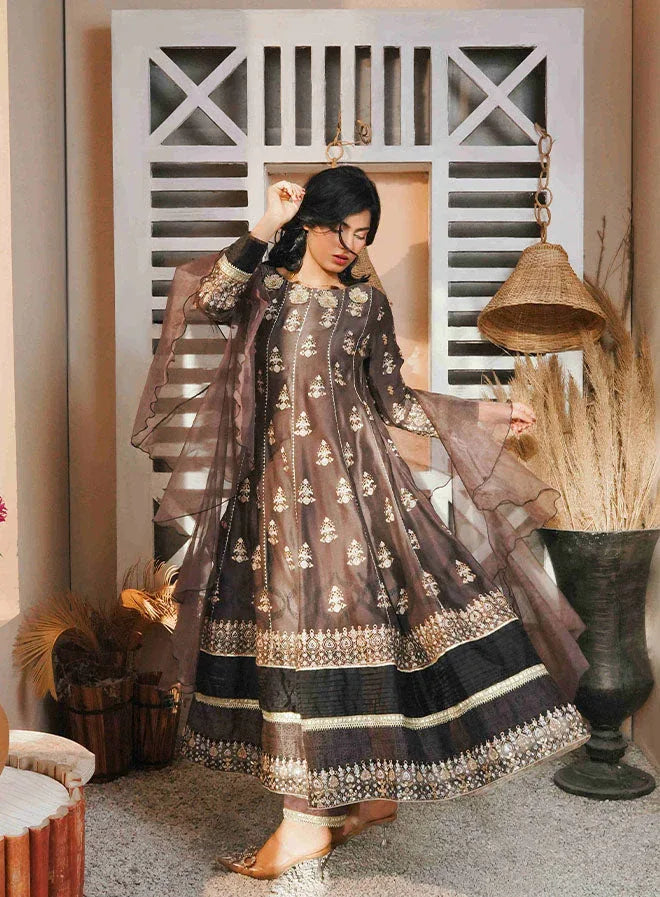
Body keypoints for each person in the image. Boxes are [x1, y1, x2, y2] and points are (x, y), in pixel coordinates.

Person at [132, 165, 590, 880]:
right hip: (276, 496)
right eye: (338, 227)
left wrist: (484, 413)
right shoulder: (266, 291)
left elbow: (392, 400)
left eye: (363, 234)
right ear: (309, 223)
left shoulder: (366, 304)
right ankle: (363, 799)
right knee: (303, 635)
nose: (349, 244)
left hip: (354, 491)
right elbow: (208, 298)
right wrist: (267, 222)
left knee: (332, 629)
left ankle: (305, 823)